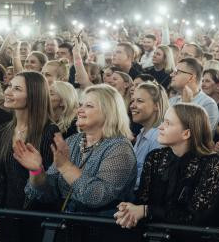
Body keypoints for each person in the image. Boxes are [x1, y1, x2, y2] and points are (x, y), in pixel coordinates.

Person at [17, 84, 136, 213]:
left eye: (89, 106)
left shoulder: (120, 148)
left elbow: (98, 196)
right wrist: (36, 171)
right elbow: (47, 193)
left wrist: (66, 167)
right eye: (80, 105)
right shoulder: (73, 141)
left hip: (99, 229)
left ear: (109, 111)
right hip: (65, 226)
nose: (79, 110)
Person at [114, 103, 219, 227]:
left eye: (168, 123)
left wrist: (146, 210)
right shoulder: (155, 157)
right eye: (163, 122)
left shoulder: (212, 163)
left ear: (186, 134)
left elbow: (194, 216)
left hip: (192, 241)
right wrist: (130, 209)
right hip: (153, 236)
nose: (160, 127)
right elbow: (143, 200)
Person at [0, 72, 59, 209]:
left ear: (34, 96)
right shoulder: (4, 129)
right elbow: (1, 177)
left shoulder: (49, 131)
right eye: (9, 86)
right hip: (3, 210)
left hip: (32, 214)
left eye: (17, 89)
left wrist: (36, 170)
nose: (8, 92)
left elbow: (51, 187)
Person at [130, 82, 168, 187]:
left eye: (140, 101)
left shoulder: (158, 137)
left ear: (156, 105)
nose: (132, 105)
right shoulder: (142, 133)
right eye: (133, 100)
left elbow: (151, 180)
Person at [168, 58, 219, 132]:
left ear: (191, 77)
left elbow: (199, 137)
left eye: (177, 72)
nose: (171, 75)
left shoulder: (208, 104)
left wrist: (185, 105)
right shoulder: (172, 101)